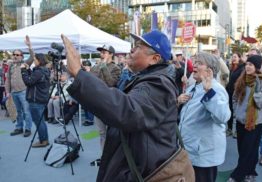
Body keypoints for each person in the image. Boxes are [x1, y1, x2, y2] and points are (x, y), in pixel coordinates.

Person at [61, 30, 179, 181]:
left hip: (142, 171)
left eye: (138, 47)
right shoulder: (149, 78)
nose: (131, 50)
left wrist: (79, 74)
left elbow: (128, 110)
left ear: (154, 59)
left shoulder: (158, 84)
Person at [178, 52, 231, 182]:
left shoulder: (216, 89)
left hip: (203, 155)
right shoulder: (193, 87)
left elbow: (223, 117)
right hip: (189, 150)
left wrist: (209, 93)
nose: (194, 66)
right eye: (194, 63)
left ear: (210, 70)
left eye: (199, 63)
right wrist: (178, 101)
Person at [227, 55, 262, 182]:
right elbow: (234, 97)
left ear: (257, 67)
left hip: (255, 122)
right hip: (241, 120)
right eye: (247, 64)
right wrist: (237, 111)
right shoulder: (242, 79)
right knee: (244, 150)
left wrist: (256, 91)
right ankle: (251, 173)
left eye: (251, 65)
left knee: (248, 150)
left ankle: (237, 175)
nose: (247, 67)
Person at [21, 37, 50, 147]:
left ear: (39, 60)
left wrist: (23, 70)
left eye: (35, 60)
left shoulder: (39, 72)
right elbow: (34, 80)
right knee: (41, 121)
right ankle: (44, 139)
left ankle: (43, 141)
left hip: (36, 100)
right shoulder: (44, 70)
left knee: (38, 121)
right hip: (40, 99)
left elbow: (29, 82)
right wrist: (30, 47)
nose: (34, 61)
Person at [5, 36, 33, 137]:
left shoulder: (25, 64)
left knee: (26, 111)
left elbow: (32, 57)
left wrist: (29, 47)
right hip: (13, 92)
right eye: (14, 54)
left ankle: (28, 129)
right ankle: (19, 127)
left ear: (21, 56)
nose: (15, 56)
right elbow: (7, 79)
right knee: (18, 111)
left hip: (23, 91)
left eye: (17, 55)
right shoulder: (11, 66)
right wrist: (8, 92)